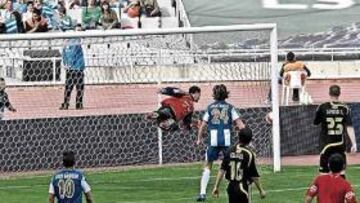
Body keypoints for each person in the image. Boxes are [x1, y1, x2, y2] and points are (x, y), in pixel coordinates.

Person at [196, 84, 245, 202]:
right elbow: (240, 125)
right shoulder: (230, 107)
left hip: (213, 140)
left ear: (214, 94)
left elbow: (203, 125)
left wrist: (199, 138)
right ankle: (236, 190)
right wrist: (246, 139)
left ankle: (202, 193)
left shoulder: (210, 107)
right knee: (231, 164)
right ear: (226, 94)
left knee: (208, 165)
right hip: (226, 140)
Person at [212, 127, 266, 203]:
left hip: (231, 188)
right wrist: (261, 190)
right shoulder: (249, 154)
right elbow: (254, 176)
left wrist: (216, 186)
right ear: (250, 140)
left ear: (238, 136)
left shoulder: (229, 151)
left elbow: (222, 170)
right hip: (243, 187)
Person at [314, 85, 357, 177]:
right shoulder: (344, 108)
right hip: (339, 144)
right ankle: (342, 191)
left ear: (329, 93)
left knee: (323, 173)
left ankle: (325, 191)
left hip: (326, 144)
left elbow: (316, 122)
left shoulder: (322, 107)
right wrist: (354, 143)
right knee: (341, 172)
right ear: (339, 93)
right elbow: (349, 126)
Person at [60, 24, 86, 110]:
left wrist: (68, 63)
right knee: (70, 87)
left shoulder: (77, 41)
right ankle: (69, 103)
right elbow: (64, 54)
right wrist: (66, 63)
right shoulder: (69, 42)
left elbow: (73, 53)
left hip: (77, 67)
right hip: (72, 68)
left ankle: (76, 103)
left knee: (77, 86)